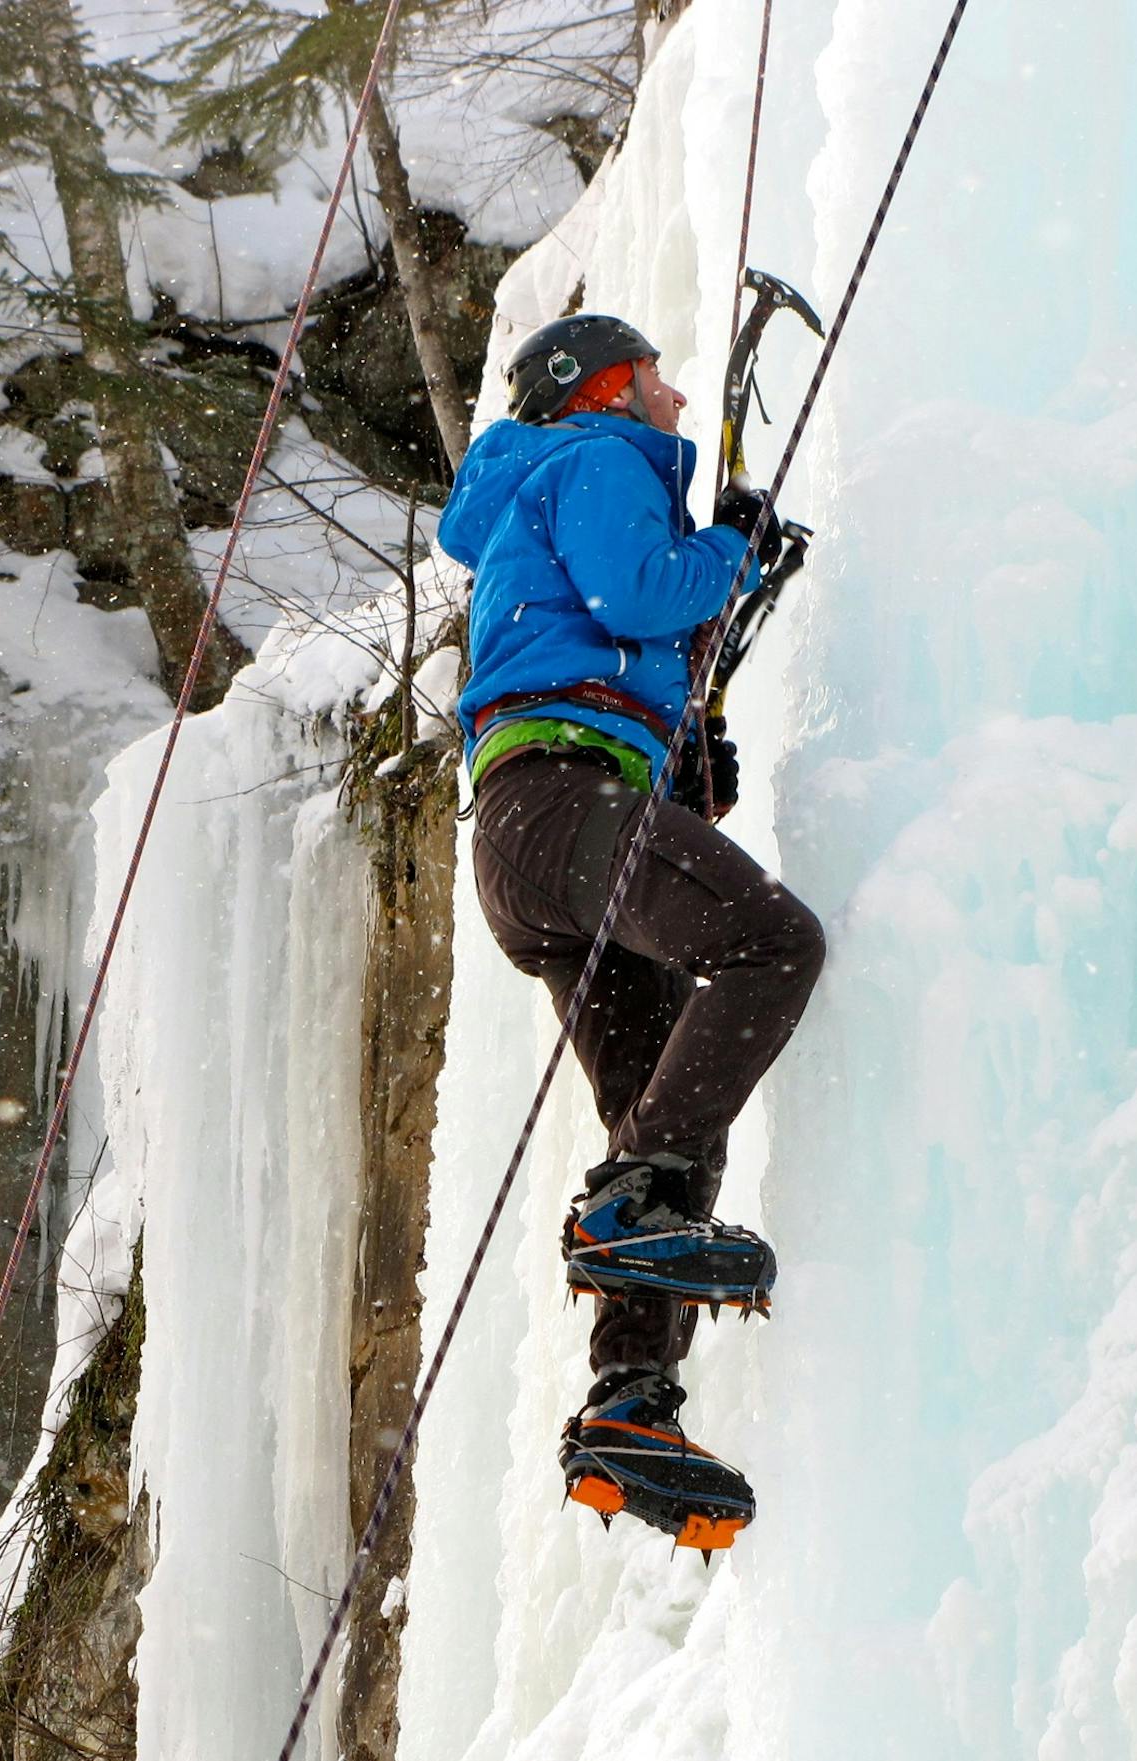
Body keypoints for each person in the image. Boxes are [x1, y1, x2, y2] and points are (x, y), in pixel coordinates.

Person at [437, 313, 826, 1551]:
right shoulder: (596, 455)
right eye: (651, 374)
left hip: (530, 828)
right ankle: (628, 1219)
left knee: (664, 1109)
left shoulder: (530, 492)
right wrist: (726, 544)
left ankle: (630, 1404)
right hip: (565, 798)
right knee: (771, 945)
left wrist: (679, 746)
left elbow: (600, 627)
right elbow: (636, 589)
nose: (669, 395)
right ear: (603, 386)